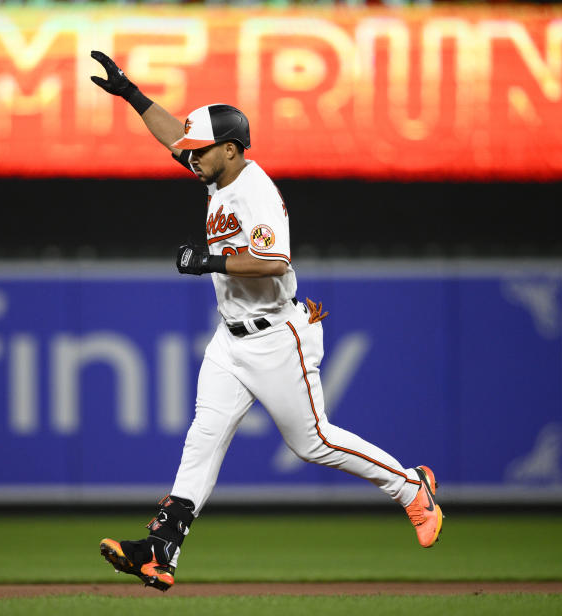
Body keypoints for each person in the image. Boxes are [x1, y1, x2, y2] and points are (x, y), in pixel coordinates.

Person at [89, 50, 443, 592]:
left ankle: (410, 487)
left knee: (315, 441)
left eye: (199, 149)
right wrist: (132, 94)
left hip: (278, 336)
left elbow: (276, 262)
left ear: (230, 150)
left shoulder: (254, 192)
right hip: (229, 341)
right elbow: (170, 136)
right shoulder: (217, 173)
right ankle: (160, 550)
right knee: (203, 437)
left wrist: (206, 260)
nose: (190, 156)